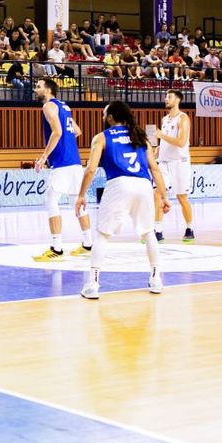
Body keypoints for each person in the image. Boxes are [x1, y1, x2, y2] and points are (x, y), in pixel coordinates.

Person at [75, 101, 170, 300]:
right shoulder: (140, 136)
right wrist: (164, 195)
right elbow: (155, 168)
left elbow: (91, 169)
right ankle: (156, 279)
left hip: (119, 184)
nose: (102, 117)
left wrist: (81, 195)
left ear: (110, 117)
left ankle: (92, 284)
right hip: (144, 185)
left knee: (102, 234)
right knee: (148, 232)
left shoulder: (101, 137)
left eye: (104, 114)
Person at [32, 79, 94, 260]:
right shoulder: (64, 107)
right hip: (74, 161)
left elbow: (58, 132)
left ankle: (57, 248)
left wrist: (44, 157)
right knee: (77, 202)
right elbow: (77, 131)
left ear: (48, 90)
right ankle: (88, 243)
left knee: (51, 201)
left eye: (38, 86)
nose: (36, 89)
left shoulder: (49, 106)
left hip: (62, 163)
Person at [152, 90, 195, 243]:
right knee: (157, 194)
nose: (166, 99)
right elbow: (166, 139)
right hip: (164, 163)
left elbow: (181, 142)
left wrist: (161, 136)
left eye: (169, 97)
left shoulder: (183, 118)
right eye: (166, 96)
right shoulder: (165, 119)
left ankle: (190, 228)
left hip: (179, 163)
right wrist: (159, 147)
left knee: (181, 197)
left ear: (177, 100)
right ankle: (157, 231)